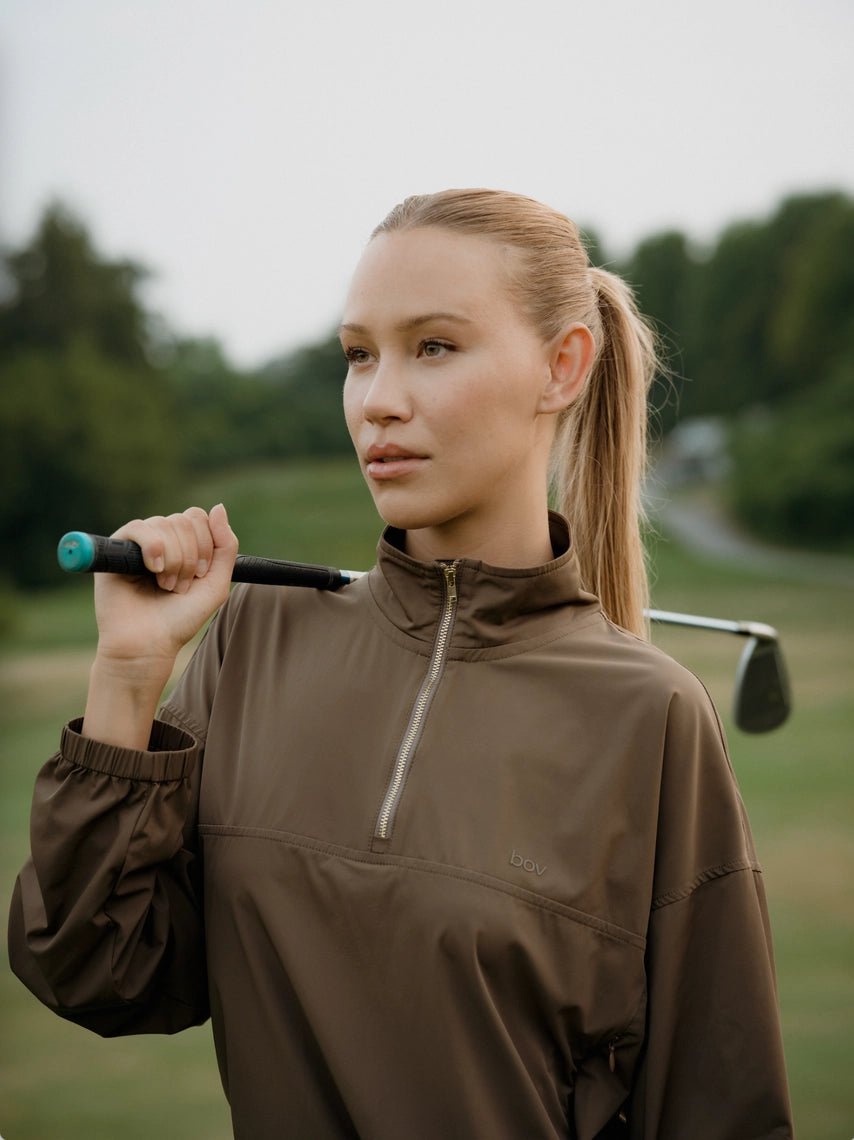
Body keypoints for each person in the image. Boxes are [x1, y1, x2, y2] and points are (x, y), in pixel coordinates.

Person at [8, 189, 794, 1138]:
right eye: (358, 355)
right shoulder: (258, 638)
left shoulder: (654, 715)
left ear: (562, 365)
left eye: (434, 347)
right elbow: (97, 972)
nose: (378, 399)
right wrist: (130, 676)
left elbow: (718, 1107)